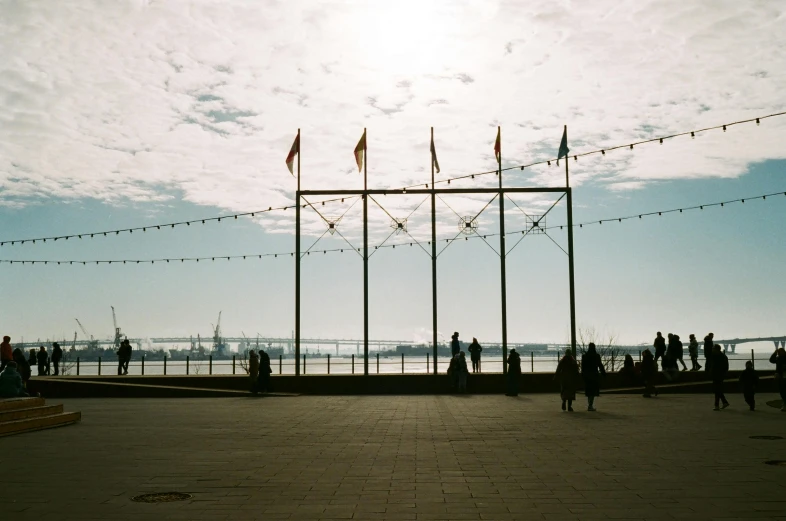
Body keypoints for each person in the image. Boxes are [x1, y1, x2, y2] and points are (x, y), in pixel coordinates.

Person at [581, 343, 606, 411]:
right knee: (593, 390)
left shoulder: (584, 356)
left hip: (587, 375)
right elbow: (600, 365)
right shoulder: (596, 356)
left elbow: (583, 367)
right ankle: (590, 405)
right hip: (594, 375)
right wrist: (604, 373)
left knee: (589, 390)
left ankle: (589, 404)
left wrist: (583, 374)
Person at [711, 344, 730, 410]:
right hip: (721, 375)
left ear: (716, 349)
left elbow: (714, 366)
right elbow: (726, 367)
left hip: (717, 374)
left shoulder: (716, 356)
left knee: (717, 390)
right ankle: (724, 402)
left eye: (713, 348)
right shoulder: (723, 356)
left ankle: (717, 405)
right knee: (718, 390)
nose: (712, 349)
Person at [770, 347, 786, 412]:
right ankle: (784, 403)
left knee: (783, 391)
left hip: (782, 377)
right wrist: (775, 353)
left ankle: (785, 403)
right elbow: (771, 360)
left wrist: (775, 353)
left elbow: (771, 360)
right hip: (780, 377)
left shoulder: (779, 359)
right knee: (782, 391)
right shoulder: (778, 358)